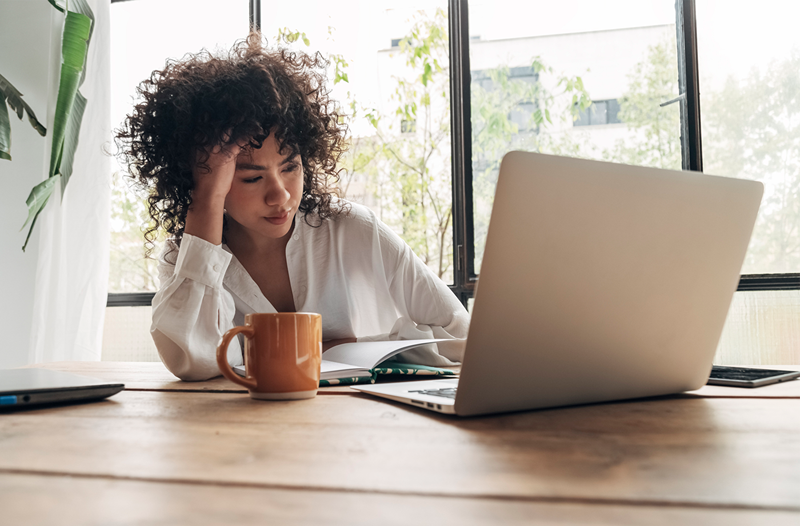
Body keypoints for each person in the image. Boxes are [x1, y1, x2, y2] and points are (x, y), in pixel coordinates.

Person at [116, 34, 469, 381]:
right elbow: (191, 361)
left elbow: (462, 335)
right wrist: (206, 198)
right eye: (252, 178)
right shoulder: (185, 257)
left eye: (290, 168)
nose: (281, 196)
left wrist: (337, 348)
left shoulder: (353, 230)